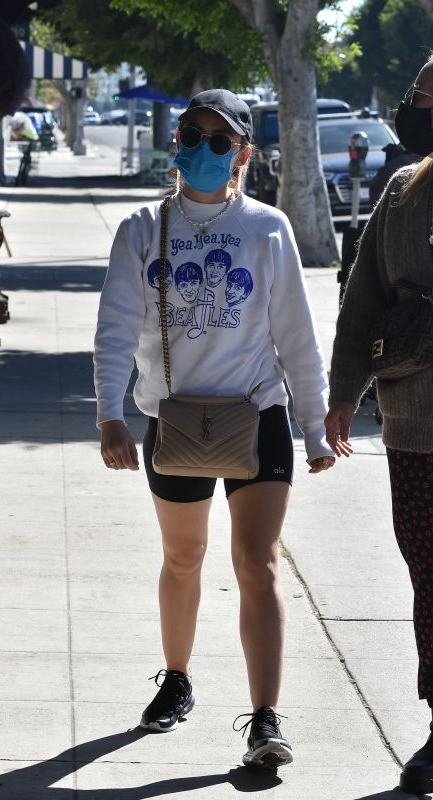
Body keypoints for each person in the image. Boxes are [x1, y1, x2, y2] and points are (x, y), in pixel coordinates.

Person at [94, 88, 335, 769]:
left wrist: (314, 427)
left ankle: (263, 720)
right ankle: (177, 679)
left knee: (255, 564)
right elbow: (114, 330)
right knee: (183, 557)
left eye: (219, 140)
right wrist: (111, 414)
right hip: (173, 420)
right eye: (190, 136)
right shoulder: (142, 228)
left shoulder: (267, 228)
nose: (202, 150)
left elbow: (296, 336)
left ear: (243, 155)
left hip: (255, 414)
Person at [325, 57, 433, 796]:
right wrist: (340, 395)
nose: (416, 108)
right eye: (419, 96)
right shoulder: (401, 193)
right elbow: (361, 300)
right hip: (414, 427)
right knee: (429, 577)